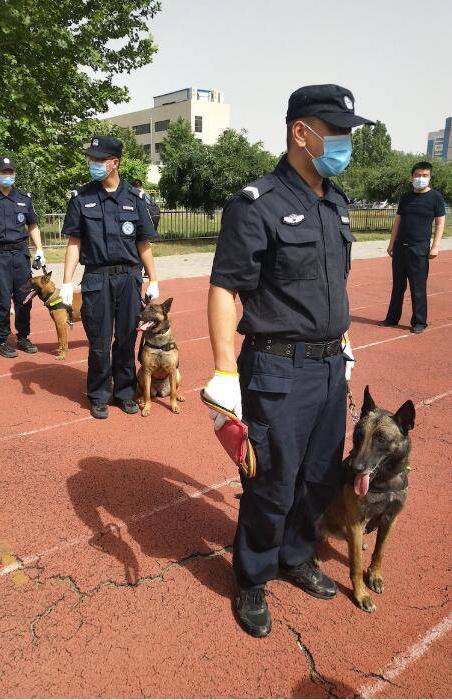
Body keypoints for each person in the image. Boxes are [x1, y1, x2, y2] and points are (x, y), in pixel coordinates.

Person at [204, 84, 374, 637]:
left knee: (322, 475)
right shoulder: (258, 204)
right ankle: (252, 576)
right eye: (338, 132)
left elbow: (329, 287)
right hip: (276, 369)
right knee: (272, 480)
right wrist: (227, 372)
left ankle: (295, 555)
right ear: (301, 132)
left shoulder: (336, 203)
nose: (346, 142)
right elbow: (226, 289)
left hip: (329, 367)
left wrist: (343, 342)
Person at [60, 135, 159, 419]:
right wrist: (67, 281)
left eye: (98, 160)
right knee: (100, 341)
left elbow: (143, 243)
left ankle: (125, 392)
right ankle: (99, 393)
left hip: (129, 278)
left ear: (114, 163)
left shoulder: (136, 199)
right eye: (91, 159)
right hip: (96, 279)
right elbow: (74, 243)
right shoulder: (82, 199)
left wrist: (153, 279)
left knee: (127, 339)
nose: (93, 164)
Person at [0, 156, 46, 357]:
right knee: (2, 300)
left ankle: (23, 336)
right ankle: (2, 340)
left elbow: (33, 225)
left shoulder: (24, 198)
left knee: (24, 299)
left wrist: (39, 249)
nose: (8, 175)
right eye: (4, 172)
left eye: (11, 172)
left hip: (21, 255)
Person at [379, 161, 446, 334]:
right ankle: (392, 318)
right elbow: (398, 220)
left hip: (420, 248)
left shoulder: (436, 197)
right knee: (397, 286)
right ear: (412, 177)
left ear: (430, 177)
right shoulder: (406, 197)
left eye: (424, 175)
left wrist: (435, 246)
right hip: (401, 247)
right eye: (417, 175)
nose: (420, 178)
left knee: (418, 287)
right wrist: (391, 243)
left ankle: (419, 322)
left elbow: (440, 224)